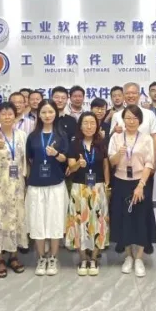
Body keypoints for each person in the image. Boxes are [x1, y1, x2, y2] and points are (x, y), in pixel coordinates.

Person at [109, 105, 156, 277]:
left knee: (141, 218)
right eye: (128, 118)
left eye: (135, 118)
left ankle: (139, 258)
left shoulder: (146, 139)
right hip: (121, 181)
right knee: (124, 219)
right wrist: (119, 154)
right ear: (123, 119)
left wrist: (141, 185)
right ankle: (128, 256)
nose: (131, 121)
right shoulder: (116, 137)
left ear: (140, 120)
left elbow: (149, 163)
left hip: (140, 182)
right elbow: (112, 161)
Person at [0, 103, 29, 278]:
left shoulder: (22, 135)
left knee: (15, 218)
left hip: (16, 184)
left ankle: (14, 256)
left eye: (10, 114)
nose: (7, 117)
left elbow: (25, 159)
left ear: (15, 116)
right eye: (3, 113)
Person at [25, 99, 70, 276]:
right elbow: (29, 159)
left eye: (50, 112)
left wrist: (56, 154)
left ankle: (53, 258)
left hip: (56, 185)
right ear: (38, 114)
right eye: (43, 112)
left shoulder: (61, 135)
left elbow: (65, 159)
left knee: (55, 221)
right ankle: (41, 258)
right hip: (36, 185)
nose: (47, 115)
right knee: (38, 222)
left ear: (56, 113)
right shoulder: (33, 136)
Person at [65, 112, 110, 276]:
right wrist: (79, 163)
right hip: (79, 188)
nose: (89, 126)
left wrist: (107, 185)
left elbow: (105, 165)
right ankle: (83, 258)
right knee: (79, 222)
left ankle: (94, 258)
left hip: (98, 187)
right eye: (86, 123)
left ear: (97, 125)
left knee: (98, 222)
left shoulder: (101, 143)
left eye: (92, 123)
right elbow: (71, 168)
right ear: (80, 126)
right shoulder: (74, 144)